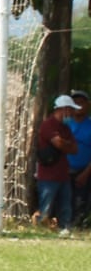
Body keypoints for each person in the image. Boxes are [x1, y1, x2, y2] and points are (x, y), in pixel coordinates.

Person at [34, 94, 78, 234]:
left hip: (63, 174)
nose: (71, 114)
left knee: (66, 206)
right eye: (70, 110)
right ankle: (41, 230)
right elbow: (58, 143)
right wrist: (66, 144)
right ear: (63, 109)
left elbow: (74, 148)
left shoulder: (66, 128)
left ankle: (65, 229)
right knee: (46, 206)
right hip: (48, 176)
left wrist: (64, 144)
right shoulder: (48, 125)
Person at [65, 90, 91, 228]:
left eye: (82, 102)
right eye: (75, 102)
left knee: (81, 201)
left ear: (88, 105)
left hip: (84, 170)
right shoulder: (65, 123)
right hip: (64, 170)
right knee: (65, 200)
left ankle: (79, 225)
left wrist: (86, 173)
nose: (78, 105)